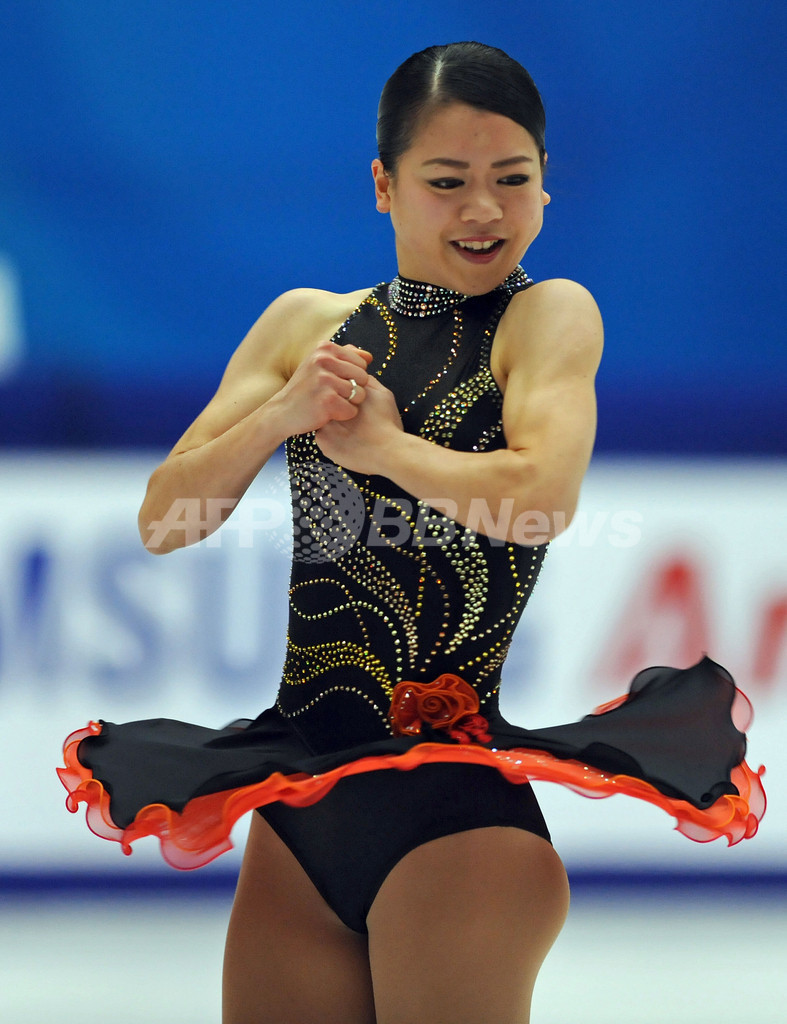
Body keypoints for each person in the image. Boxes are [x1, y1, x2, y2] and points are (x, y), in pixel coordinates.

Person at [58, 42, 765, 1024]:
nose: (482, 209)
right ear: (384, 186)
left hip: (459, 828)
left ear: (546, 189)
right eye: (447, 182)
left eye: (512, 180)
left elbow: (540, 494)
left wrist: (384, 449)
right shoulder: (305, 325)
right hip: (300, 817)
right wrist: (278, 417)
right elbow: (165, 519)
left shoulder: (545, 318)